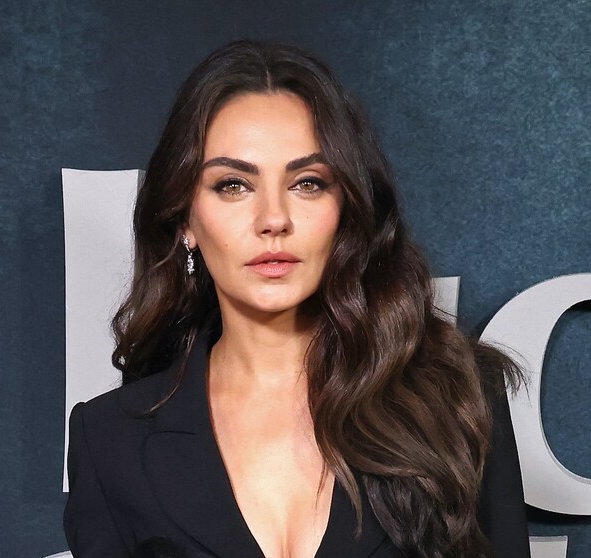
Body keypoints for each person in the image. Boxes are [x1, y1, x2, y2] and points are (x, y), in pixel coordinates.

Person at [64, 40, 530, 558]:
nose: (274, 219)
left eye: (307, 183)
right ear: (184, 221)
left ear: (347, 209)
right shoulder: (110, 440)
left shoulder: (458, 399)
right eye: (233, 185)